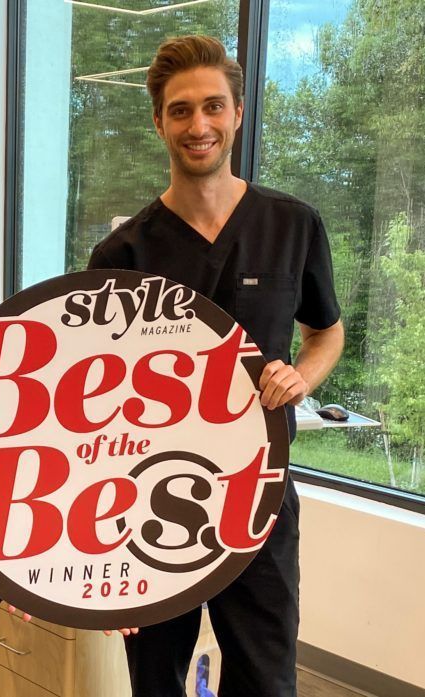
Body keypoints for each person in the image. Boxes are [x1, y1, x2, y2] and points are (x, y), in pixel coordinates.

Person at [88, 36, 344, 697]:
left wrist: (302, 377)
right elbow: (89, 394)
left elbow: (325, 331)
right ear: (157, 121)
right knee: (153, 681)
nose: (197, 126)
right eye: (179, 111)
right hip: (146, 508)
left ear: (234, 113)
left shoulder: (292, 224)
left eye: (211, 107)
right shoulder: (121, 250)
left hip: (258, 497)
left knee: (265, 679)